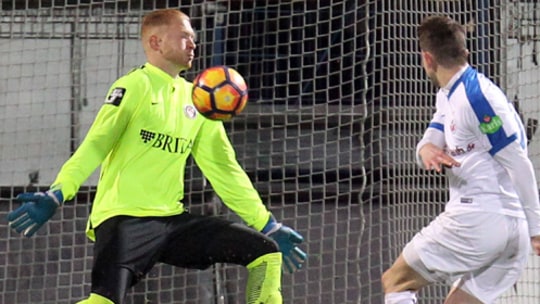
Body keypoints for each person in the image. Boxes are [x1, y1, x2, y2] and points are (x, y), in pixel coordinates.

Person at [7, 8, 306, 304]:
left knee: (265, 252)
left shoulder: (199, 100)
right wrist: (59, 193)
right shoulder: (134, 86)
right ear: (156, 43)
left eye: (194, 39)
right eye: (185, 37)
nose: (193, 44)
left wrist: (267, 223)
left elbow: (225, 171)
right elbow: (95, 145)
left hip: (172, 222)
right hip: (124, 219)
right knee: (103, 301)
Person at [381, 15, 540, 304]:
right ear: (465, 53)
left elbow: (519, 163)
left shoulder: (476, 99)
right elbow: (431, 138)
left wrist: (538, 229)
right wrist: (425, 150)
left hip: (478, 219)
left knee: (396, 281)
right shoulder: (450, 93)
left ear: (426, 59)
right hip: (510, 234)